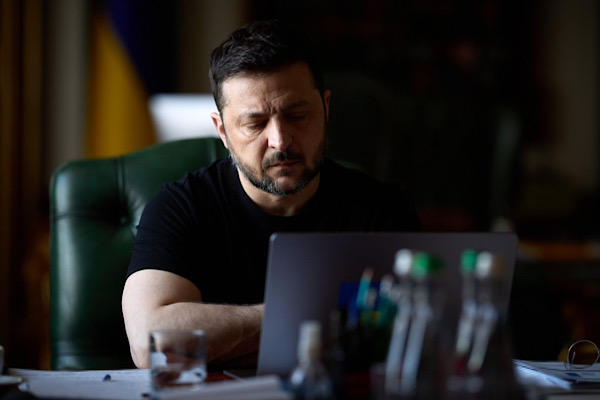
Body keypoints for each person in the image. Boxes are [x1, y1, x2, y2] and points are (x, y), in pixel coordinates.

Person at [122, 19, 420, 369]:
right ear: (222, 131)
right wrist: (313, 320)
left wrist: (224, 342)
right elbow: (151, 344)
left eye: (298, 115)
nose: (280, 140)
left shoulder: (382, 210)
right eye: (255, 124)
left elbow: (413, 338)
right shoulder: (180, 207)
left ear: (326, 109)